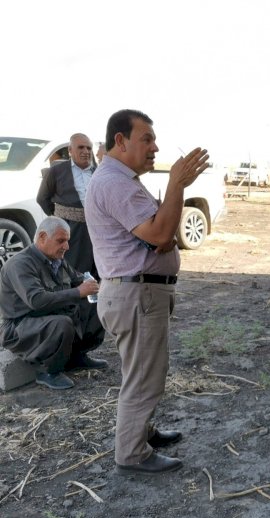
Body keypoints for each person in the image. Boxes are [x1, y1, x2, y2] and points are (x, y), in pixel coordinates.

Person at [85, 109, 209, 475]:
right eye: (147, 139)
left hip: (136, 294)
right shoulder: (114, 182)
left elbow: (162, 234)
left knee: (141, 371)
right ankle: (132, 453)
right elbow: (158, 235)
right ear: (120, 141)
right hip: (135, 296)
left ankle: (143, 431)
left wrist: (163, 234)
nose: (155, 147)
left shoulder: (120, 179)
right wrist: (177, 185)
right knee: (144, 376)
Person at [0, 216, 106, 390]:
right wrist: (79, 291)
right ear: (42, 237)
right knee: (62, 324)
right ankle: (48, 371)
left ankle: (76, 356)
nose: (66, 246)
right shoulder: (20, 264)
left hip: (48, 318)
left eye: (67, 241)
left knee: (98, 304)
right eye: (61, 241)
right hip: (20, 327)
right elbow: (37, 301)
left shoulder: (57, 259)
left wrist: (96, 285)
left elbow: (77, 279)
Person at [37, 133, 98, 276]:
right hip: (69, 229)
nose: (86, 152)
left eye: (89, 148)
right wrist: (61, 218)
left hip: (95, 228)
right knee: (70, 267)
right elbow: (42, 198)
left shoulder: (98, 172)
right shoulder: (56, 171)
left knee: (95, 265)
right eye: (81, 147)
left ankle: (93, 295)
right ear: (70, 150)